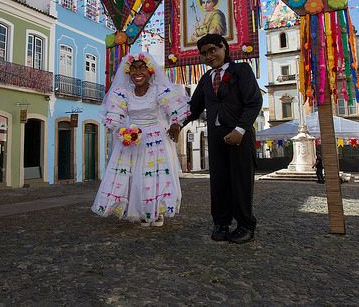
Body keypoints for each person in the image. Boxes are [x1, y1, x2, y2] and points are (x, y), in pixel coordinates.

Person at [91, 52, 190, 227]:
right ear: (128, 72)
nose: (138, 72)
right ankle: (140, 211)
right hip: (132, 138)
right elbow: (115, 116)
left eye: (142, 68)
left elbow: (175, 108)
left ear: (150, 70)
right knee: (136, 177)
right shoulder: (122, 93)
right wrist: (121, 129)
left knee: (153, 176)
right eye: (134, 68)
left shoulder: (158, 90)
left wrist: (176, 124)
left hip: (155, 140)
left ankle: (156, 211)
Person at [184, 34, 263, 244]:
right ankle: (221, 223)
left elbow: (254, 102)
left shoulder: (241, 71)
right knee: (218, 182)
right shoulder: (206, 79)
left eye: (213, 50)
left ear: (224, 48)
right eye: (204, 53)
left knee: (241, 182)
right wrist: (175, 124)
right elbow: (193, 108)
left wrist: (240, 129)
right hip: (217, 137)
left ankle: (245, 225)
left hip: (239, 135)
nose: (209, 56)